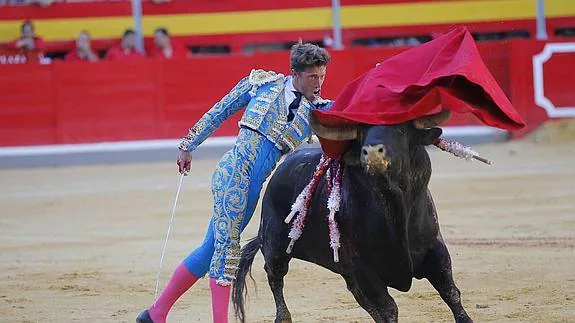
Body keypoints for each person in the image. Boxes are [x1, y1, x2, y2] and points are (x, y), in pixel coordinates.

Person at [137, 42, 332, 323]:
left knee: (209, 251)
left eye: (322, 76)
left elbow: (350, 114)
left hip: (253, 187)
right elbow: (221, 110)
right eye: (313, 77)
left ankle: (155, 313)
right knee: (228, 251)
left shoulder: (318, 111)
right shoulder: (263, 84)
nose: (319, 83)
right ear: (295, 74)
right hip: (233, 174)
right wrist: (188, 144)